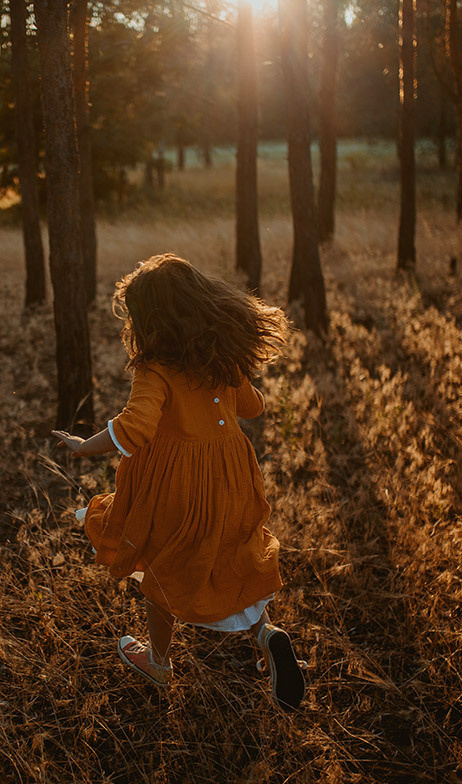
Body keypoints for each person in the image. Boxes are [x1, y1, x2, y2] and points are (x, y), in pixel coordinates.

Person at [52, 253, 307, 712]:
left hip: (180, 488)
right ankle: (266, 635)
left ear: (150, 321)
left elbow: (133, 428)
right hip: (233, 478)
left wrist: (81, 445)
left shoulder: (156, 369)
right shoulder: (219, 357)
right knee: (233, 555)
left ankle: (159, 662)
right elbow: (254, 407)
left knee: (164, 571)